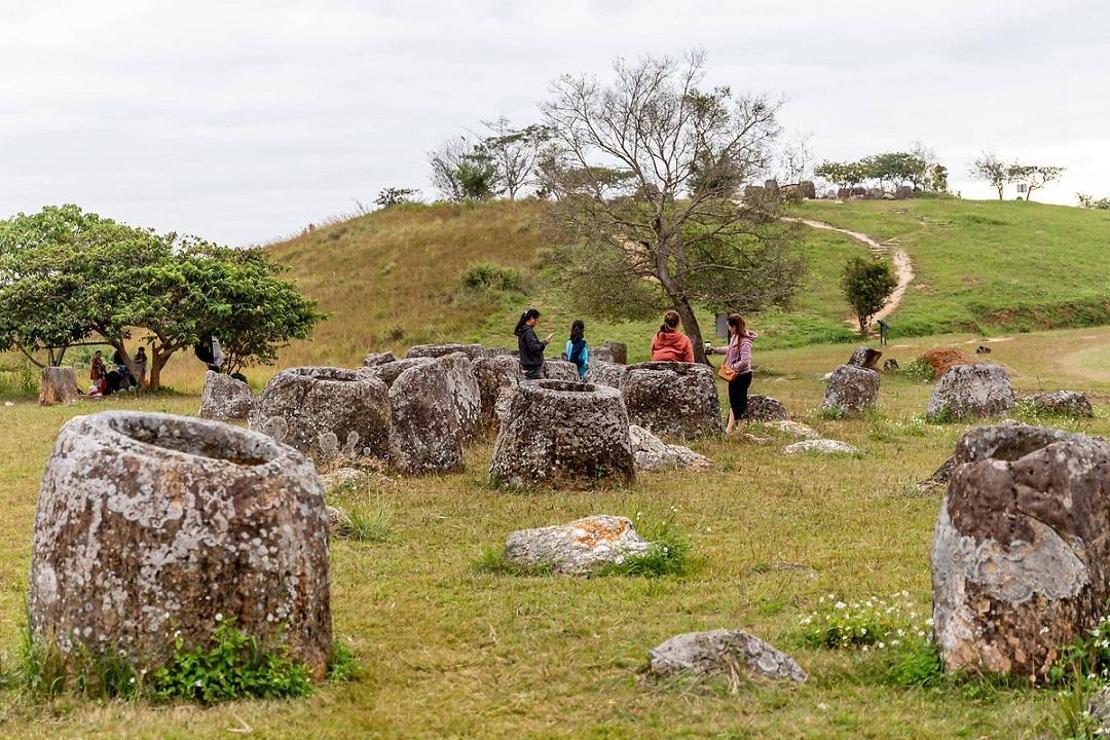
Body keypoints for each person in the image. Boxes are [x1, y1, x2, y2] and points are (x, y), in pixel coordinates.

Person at [709, 313, 758, 436]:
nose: (729, 329)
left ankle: (740, 429)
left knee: (740, 402)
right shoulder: (735, 337)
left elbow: (745, 361)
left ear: (735, 326)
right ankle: (729, 429)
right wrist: (715, 349)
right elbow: (729, 349)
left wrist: (732, 367)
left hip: (742, 376)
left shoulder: (745, 341)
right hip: (734, 376)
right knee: (733, 401)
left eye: (730, 327)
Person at [514, 308, 551, 380]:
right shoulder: (528, 332)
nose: (537, 322)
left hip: (527, 366)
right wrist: (544, 343)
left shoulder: (522, 331)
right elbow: (534, 348)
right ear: (532, 318)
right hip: (533, 367)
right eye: (536, 320)